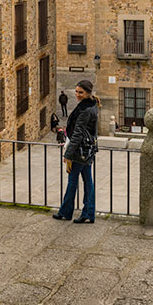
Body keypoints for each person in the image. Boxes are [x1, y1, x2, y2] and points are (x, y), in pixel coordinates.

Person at [53, 80, 99, 224]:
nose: (77, 94)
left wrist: (67, 154)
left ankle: (66, 212)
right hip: (88, 150)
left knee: (72, 181)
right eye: (77, 91)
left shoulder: (85, 110)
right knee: (88, 181)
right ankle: (88, 213)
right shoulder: (92, 105)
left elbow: (78, 133)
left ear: (87, 93)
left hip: (80, 152)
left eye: (81, 92)